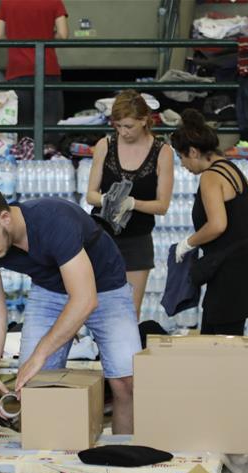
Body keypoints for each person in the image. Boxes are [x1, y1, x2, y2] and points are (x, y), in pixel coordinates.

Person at [0, 177, 144, 473]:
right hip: (50, 292)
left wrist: (40, 354)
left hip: (106, 286)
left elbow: (85, 299)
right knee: (32, 388)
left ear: (5, 218)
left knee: (125, 383)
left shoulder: (54, 220)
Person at [169, 109, 248, 335]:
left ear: (193, 152)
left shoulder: (211, 176)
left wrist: (188, 243)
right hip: (246, 259)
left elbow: (217, 224)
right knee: (223, 330)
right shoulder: (233, 169)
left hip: (232, 265)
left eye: (181, 157)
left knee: (218, 337)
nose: (183, 165)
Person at [86, 90, 174, 318]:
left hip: (137, 239)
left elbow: (162, 205)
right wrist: (107, 200)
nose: (123, 132)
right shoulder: (105, 145)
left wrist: (133, 203)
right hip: (102, 235)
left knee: (129, 310)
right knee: (96, 306)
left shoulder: (162, 152)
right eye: (118, 126)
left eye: (129, 126)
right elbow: (90, 195)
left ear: (144, 121)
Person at [0, 0, 67, 130]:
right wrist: (48, 36)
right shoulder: (54, 2)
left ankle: (25, 149)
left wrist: (15, 38)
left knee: (22, 122)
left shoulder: (7, 2)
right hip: (47, 67)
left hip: (17, 68)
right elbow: (63, 34)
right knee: (50, 121)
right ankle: (48, 149)